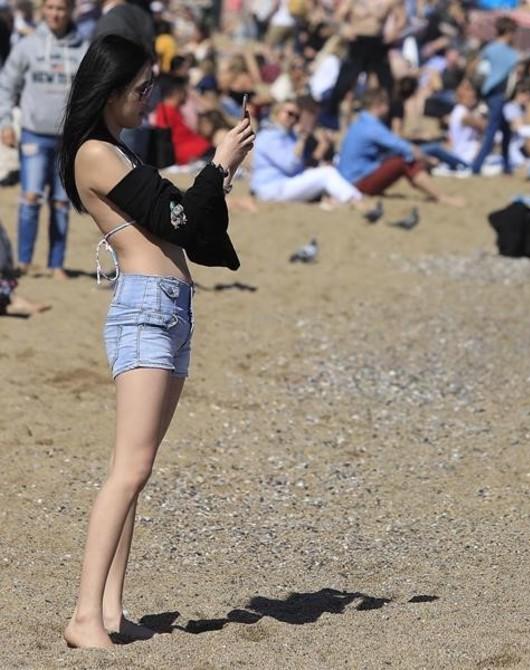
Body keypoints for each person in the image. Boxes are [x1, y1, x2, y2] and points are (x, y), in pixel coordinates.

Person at [59, 34, 254, 649]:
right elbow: (178, 219)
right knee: (129, 469)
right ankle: (84, 615)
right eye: (143, 88)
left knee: (136, 471)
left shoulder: (119, 151)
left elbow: (187, 222)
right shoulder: (95, 153)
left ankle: (112, 610)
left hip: (170, 308)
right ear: (111, 89)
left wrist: (221, 170)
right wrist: (219, 165)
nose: (150, 98)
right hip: (145, 308)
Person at [0, 0, 87, 279]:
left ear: (70, 11)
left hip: (68, 138)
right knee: (30, 197)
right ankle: (24, 262)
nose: (55, 14)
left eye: (61, 8)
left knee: (61, 203)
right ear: (42, 11)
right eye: (50, 8)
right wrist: (4, 122)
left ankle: (56, 264)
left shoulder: (82, 49)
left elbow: (91, 92)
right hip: (34, 133)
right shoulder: (27, 46)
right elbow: (6, 85)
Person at [337, 87, 463, 206]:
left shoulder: (360, 122)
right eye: (386, 104)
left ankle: (441, 193)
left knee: (404, 157)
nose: (389, 107)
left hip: (350, 181)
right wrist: (428, 160)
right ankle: (441, 196)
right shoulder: (371, 127)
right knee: (404, 161)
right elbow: (404, 147)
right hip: (357, 183)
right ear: (378, 105)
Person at [250, 98, 364, 207]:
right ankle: (355, 199)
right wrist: (301, 139)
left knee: (324, 171)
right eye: (289, 114)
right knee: (326, 174)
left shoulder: (286, 135)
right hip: (271, 188)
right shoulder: (269, 136)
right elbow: (290, 166)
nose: (293, 118)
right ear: (276, 113)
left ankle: (347, 198)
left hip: (281, 185)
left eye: (296, 116)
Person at [469, 15, 520, 175]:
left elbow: (473, 66)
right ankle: (477, 166)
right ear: (509, 32)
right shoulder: (512, 54)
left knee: (505, 129)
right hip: (499, 94)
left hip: (488, 92)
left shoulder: (489, 48)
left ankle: (506, 165)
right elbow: (515, 75)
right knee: (492, 130)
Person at [150, 75, 213, 166]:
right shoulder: (164, 112)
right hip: (192, 154)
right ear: (177, 92)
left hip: (198, 150)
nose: (186, 95)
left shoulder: (173, 110)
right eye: (184, 91)